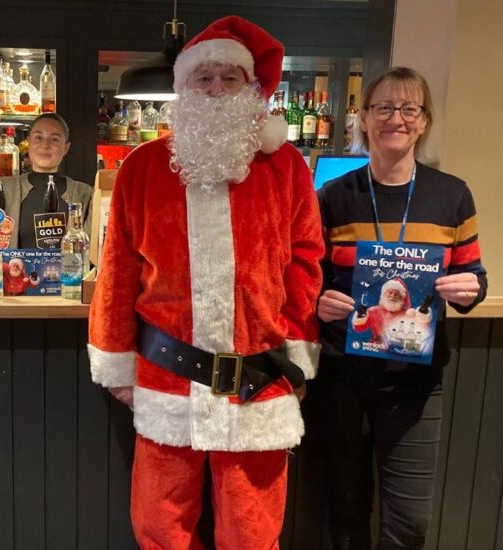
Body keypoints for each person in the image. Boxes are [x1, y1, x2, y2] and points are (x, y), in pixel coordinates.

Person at [88, 16, 325, 549]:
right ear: (184, 89)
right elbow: (118, 272)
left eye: (229, 78)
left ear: (251, 89)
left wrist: (296, 356)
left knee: (253, 531)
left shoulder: (286, 167)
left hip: (258, 381)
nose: (216, 89)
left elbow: (306, 263)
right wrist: (118, 365)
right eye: (204, 79)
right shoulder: (142, 168)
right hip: (165, 378)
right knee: (159, 529)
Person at [315, 66, 487, 549]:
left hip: (415, 382)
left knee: (411, 523)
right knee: (346, 513)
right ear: (364, 120)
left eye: (409, 108)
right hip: (342, 376)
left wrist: (467, 290)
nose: (397, 118)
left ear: (424, 120)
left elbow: (475, 276)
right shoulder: (332, 197)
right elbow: (307, 280)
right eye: (384, 107)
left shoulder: (452, 195)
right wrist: (318, 303)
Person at [0, 113, 93, 248]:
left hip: (68, 269)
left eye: (54, 139)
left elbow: (93, 250)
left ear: (65, 148)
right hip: (13, 269)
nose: (45, 145)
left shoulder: (84, 194)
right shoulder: (4, 189)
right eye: (38, 137)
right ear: (29, 142)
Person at [352, 278, 431, 345]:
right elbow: (359, 328)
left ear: (402, 298)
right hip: (375, 347)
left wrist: (423, 314)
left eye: (397, 294)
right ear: (383, 295)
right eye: (390, 292)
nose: (393, 296)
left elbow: (421, 329)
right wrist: (361, 315)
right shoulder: (373, 311)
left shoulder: (407, 314)